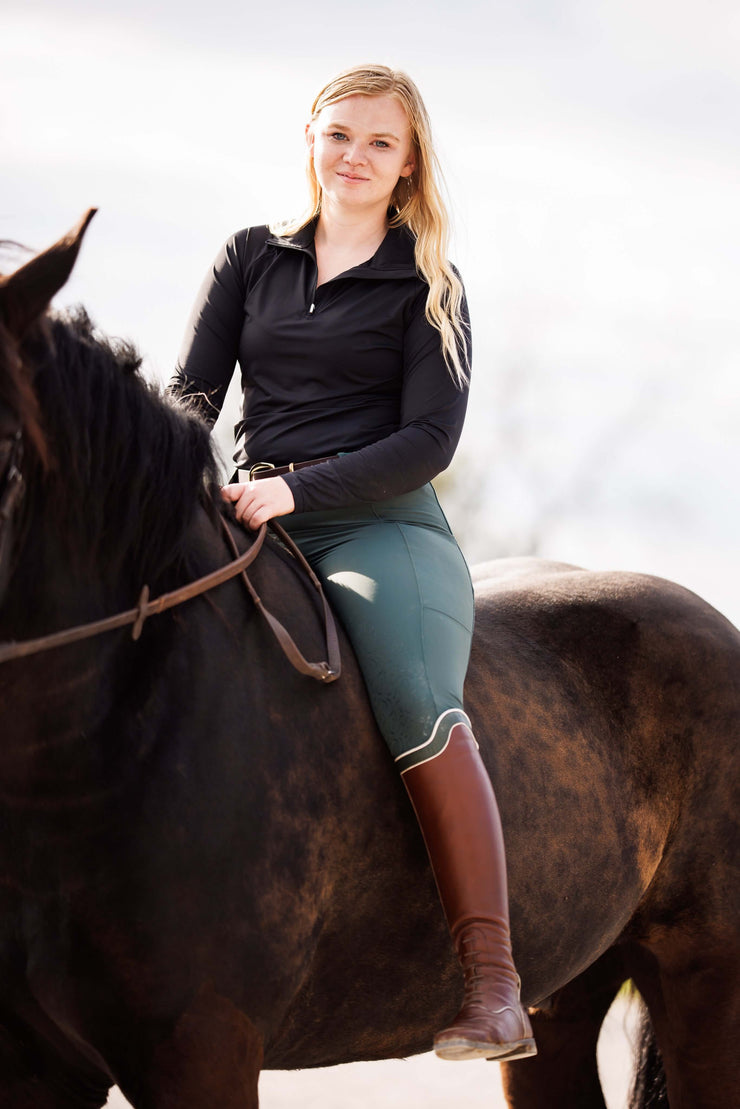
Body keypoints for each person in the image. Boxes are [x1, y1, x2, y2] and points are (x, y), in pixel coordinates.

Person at [171, 63, 536, 1064]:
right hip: (248, 516)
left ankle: (493, 982)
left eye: (379, 141)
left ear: (408, 159)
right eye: (339, 134)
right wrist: (174, 479)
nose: (355, 156)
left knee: (417, 693)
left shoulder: (431, 280)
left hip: (379, 530)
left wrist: (299, 487)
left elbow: (428, 440)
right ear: (309, 139)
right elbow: (190, 396)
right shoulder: (250, 259)